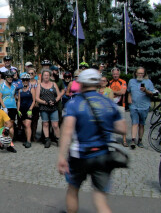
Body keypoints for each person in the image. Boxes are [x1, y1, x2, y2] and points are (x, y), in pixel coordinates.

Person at [57, 69, 126, 213]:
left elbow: (67, 131)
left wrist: (62, 157)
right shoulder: (108, 102)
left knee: (73, 189)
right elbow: (122, 128)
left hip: (80, 155)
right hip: (103, 153)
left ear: (81, 84)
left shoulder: (74, 103)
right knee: (100, 199)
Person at [127, 67, 155, 149]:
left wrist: (145, 90)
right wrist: (129, 97)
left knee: (141, 124)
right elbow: (129, 91)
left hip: (144, 106)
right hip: (133, 106)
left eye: (142, 73)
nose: (140, 75)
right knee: (134, 123)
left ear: (144, 74)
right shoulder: (131, 81)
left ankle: (140, 140)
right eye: (138, 73)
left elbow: (152, 93)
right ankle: (133, 140)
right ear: (135, 73)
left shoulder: (148, 82)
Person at [36, 69, 61, 148]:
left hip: (54, 107)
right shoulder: (39, 86)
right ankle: (47, 139)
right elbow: (37, 98)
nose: (46, 76)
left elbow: (59, 95)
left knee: (55, 124)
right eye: (45, 75)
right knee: (45, 124)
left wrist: (55, 100)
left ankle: (58, 139)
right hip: (44, 107)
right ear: (42, 76)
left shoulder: (54, 84)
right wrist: (45, 102)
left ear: (49, 76)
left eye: (47, 75)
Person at [109, 67, 128, 147]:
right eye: (114, 74)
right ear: (112, 74)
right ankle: (111, 139)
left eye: (116, 74)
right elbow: (107, 92)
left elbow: (123, 92)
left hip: (121, 104)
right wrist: (117, 92)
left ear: (119, 74)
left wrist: (113, 92)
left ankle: (124, 140)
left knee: (122, 123)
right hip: (111, 105)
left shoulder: (123, 82)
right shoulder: (109, 82)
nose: (115, 75)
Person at [17, 73, 35, 148]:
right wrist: (18, 110)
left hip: (29, 109)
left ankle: (28, 141)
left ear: (29, 80)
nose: (25, 81)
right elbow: (19, 101)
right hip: (22, 109)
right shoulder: (20, 90)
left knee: (28, 124)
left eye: (26, 80)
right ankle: (26, 139)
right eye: (23, 80)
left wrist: (30, 109)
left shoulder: (32, 89)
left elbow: (34, 100)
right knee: (24, 125)